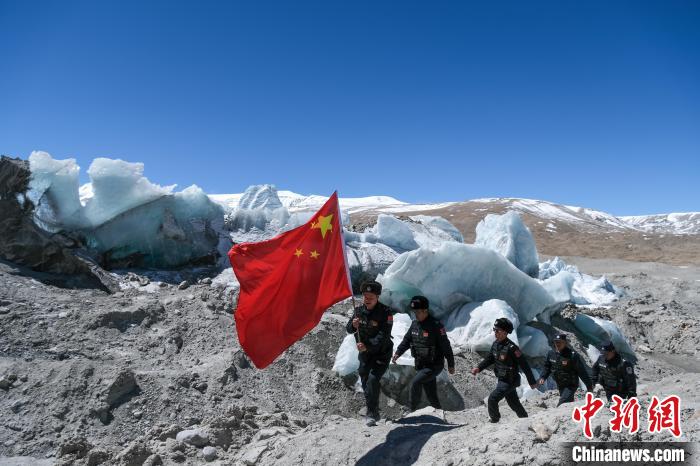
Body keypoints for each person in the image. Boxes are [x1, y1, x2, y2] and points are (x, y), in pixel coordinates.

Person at [391, 296, 455, 415]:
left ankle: (411, 408)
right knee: (430, 392)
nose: (416, 315)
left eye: (418, 312)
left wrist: (451, 364)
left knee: (416, 382)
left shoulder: (436, 326)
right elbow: (406, 340)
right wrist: (398, 353)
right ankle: (439, 411)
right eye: (414, 312)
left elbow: (446, 346)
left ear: (425, 311)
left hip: (434, 365)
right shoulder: (414, 324)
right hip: (421, 364)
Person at [346, 280, 394, 426]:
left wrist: (367, 346)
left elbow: (383, 336)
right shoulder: (358, 311)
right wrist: (353, 325)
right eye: (365, 297)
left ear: (377, 297)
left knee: (373, 379)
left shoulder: (386, 313)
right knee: (366, 380)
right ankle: (373, 409)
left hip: (381, 353)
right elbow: (349, 329)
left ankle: (371, 413)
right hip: (365, 354)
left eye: (370, 297)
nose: (367, 300)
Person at [471, 317, 537, 423]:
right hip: (502, 379)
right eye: (494, 330)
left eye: (497, 330)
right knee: (513, 403)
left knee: (492, 399)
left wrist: (532, 382)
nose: (495, 333)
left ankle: (494, 419)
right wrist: (479, 368)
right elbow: (490, 359)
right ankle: (526, 419)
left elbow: (524, 365)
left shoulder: (512, 348)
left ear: (505, 333)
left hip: (510, 380)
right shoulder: (496, 344)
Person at [538, 333, 592, 405]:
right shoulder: (551, 354)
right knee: (567, 401)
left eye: (560, 342)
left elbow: (581, 371)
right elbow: (547, 367)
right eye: (556, 342)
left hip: (571, 384)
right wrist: (543, 377)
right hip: (560, 383)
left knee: (562, 402)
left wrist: (589, 386)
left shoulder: (572, 355)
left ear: (565, 343)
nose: (558, 344)